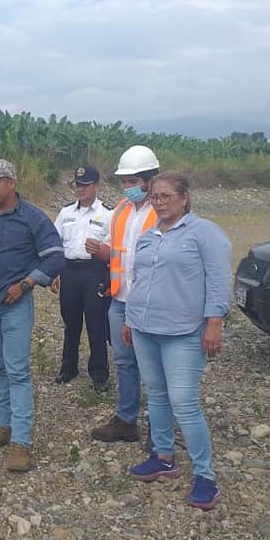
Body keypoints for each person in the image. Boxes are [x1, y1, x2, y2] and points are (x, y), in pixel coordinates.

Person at [123, 172, 230, 509]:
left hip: (183, 332)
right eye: (155, 196)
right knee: (156, 395)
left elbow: (218, 278)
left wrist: (214, 322)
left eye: (166, 196)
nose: (159, 202)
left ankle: (205, 476)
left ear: (184, 198)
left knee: (184, 402)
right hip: (144, 328)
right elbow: (138, 279)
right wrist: (129, 320)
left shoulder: (204, 232)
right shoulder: (149, 236)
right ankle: (163, 457)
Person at [0, 159, 65, 472]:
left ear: (11, 183)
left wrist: (26, 284)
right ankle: (2, 425)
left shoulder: (33, 218)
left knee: (17, 370)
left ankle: (21, 441)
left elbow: (55, 258)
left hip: (15, 306)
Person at [87, 145, 160, 443]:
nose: (127, 187)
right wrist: (101, 251)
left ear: (150, 180)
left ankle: (159, 428)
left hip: (151, 303)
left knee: (154, 367)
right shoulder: (120, 210)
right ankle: (126, 420)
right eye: (124, 181)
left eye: (133, 181)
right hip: (120, 299)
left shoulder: (163, 211)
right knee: (125, 362)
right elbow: (116, 252)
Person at [51, 165, 113, 390]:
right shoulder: (66, 212)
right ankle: (69, 367)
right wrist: (55, 272)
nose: (81, 189)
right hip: (69, 271)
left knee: (96, 324)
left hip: (94, 271)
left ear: (96, 185)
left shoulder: (108, 214)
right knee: (71, 322)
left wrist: (110, 278)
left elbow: (114, 248)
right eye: (78, 185)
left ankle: (99, 373)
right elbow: (55, 243)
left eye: (86, 185)